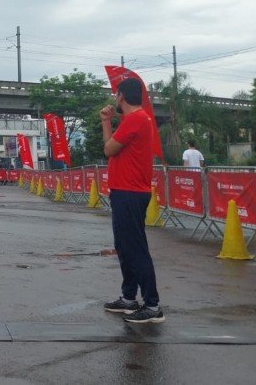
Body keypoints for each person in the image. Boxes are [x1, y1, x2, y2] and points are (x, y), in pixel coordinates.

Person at [100, 77, 164, 324]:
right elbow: (113, 150)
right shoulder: (134, 120)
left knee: (135, 249)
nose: (115, 100)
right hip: (125, 191)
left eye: (116, 96)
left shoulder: (135, 120)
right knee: (125, 247)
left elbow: (108, 149)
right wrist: (109, 121)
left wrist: (105, 122)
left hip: (130, 192)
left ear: (121, 97)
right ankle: (129, 298)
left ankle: (153, 305)